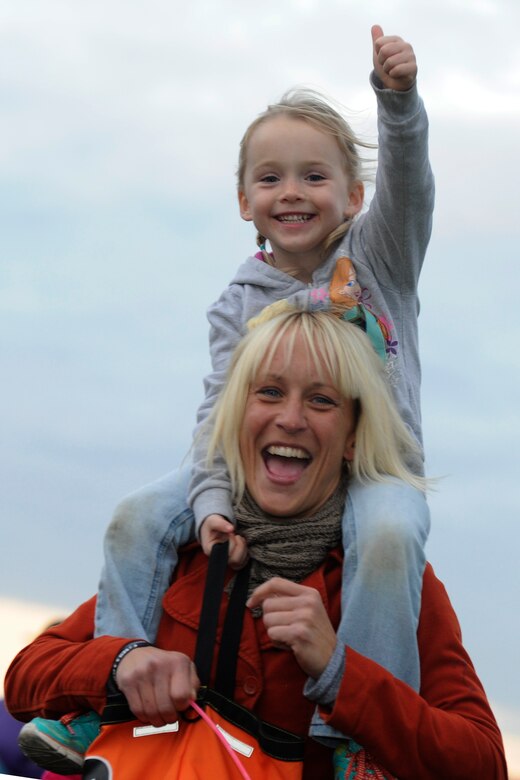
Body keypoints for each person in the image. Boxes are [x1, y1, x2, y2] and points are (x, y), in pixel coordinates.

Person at [18, 24, 434, 772]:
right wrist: (210, 506)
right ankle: (107, 698)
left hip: (371, 472)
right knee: (138, 515)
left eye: (315, 176)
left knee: (392, 534)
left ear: (354, 196)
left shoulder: (380, 255)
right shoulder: (236, 305)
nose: (292, 192)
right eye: (270, 178)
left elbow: (412, 186)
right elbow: (218, 422)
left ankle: (354, 744)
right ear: (243, 200)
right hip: (241, 470)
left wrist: (397, 103)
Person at [5, 311, 508, 779]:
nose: (290, 418)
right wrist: (121, 663)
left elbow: (482, 760)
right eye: (268, 392)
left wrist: (340, 669)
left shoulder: (391, 574)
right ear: (236, 415)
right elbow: (25, 677)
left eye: (322, 400)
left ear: (353, 437)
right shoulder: (182, 552)